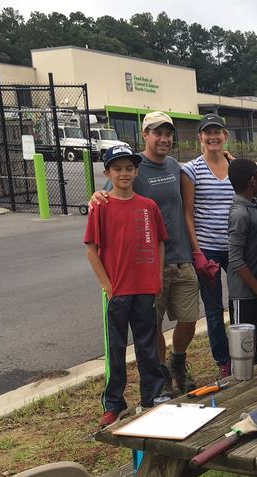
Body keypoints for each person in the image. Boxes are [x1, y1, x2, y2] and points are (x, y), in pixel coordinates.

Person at [90, 111, 217, 395]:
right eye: (157, 133)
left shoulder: (174, 166)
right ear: (145, 135)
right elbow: (111, 193)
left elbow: (187, 205)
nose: (163, 139)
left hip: (181, 257)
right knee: (153, 324)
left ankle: (178, 361)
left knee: (188, 318)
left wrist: (195, 252)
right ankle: (161, 375)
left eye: (168, 133)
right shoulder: (133, 165)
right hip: (148, 265)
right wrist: (96, 195)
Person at [84, 145, 171, 427]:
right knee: (116, 348)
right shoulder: (101, 207)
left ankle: (153, 395)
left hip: (145, 288)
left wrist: (157, 278)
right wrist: (108, 286)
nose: (124, 173)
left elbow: (159, 243)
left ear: (136, 171)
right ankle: (113, 403)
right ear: (108, 172)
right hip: (117, 291)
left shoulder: (148, 207)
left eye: (129, 168)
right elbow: (92, 250)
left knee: (148, 345)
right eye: (117, 168)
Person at [182, 113, 234, 379]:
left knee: (239, 303)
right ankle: (223, 360)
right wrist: (197, 252)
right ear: (200, 137)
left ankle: (241, 353)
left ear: (225, 136)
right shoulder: (191, 170)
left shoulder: (234, 166)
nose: (213, 137)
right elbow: (188, 213)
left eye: (218, 132)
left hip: (236, 247)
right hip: (208, 249)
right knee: (214, 309)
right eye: (207, 132)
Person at [227, 157, 257, 355]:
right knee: (244, 351)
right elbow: (235, 259)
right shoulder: (240, 214)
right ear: (253, 181)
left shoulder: (255, 204)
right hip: (245, 295)